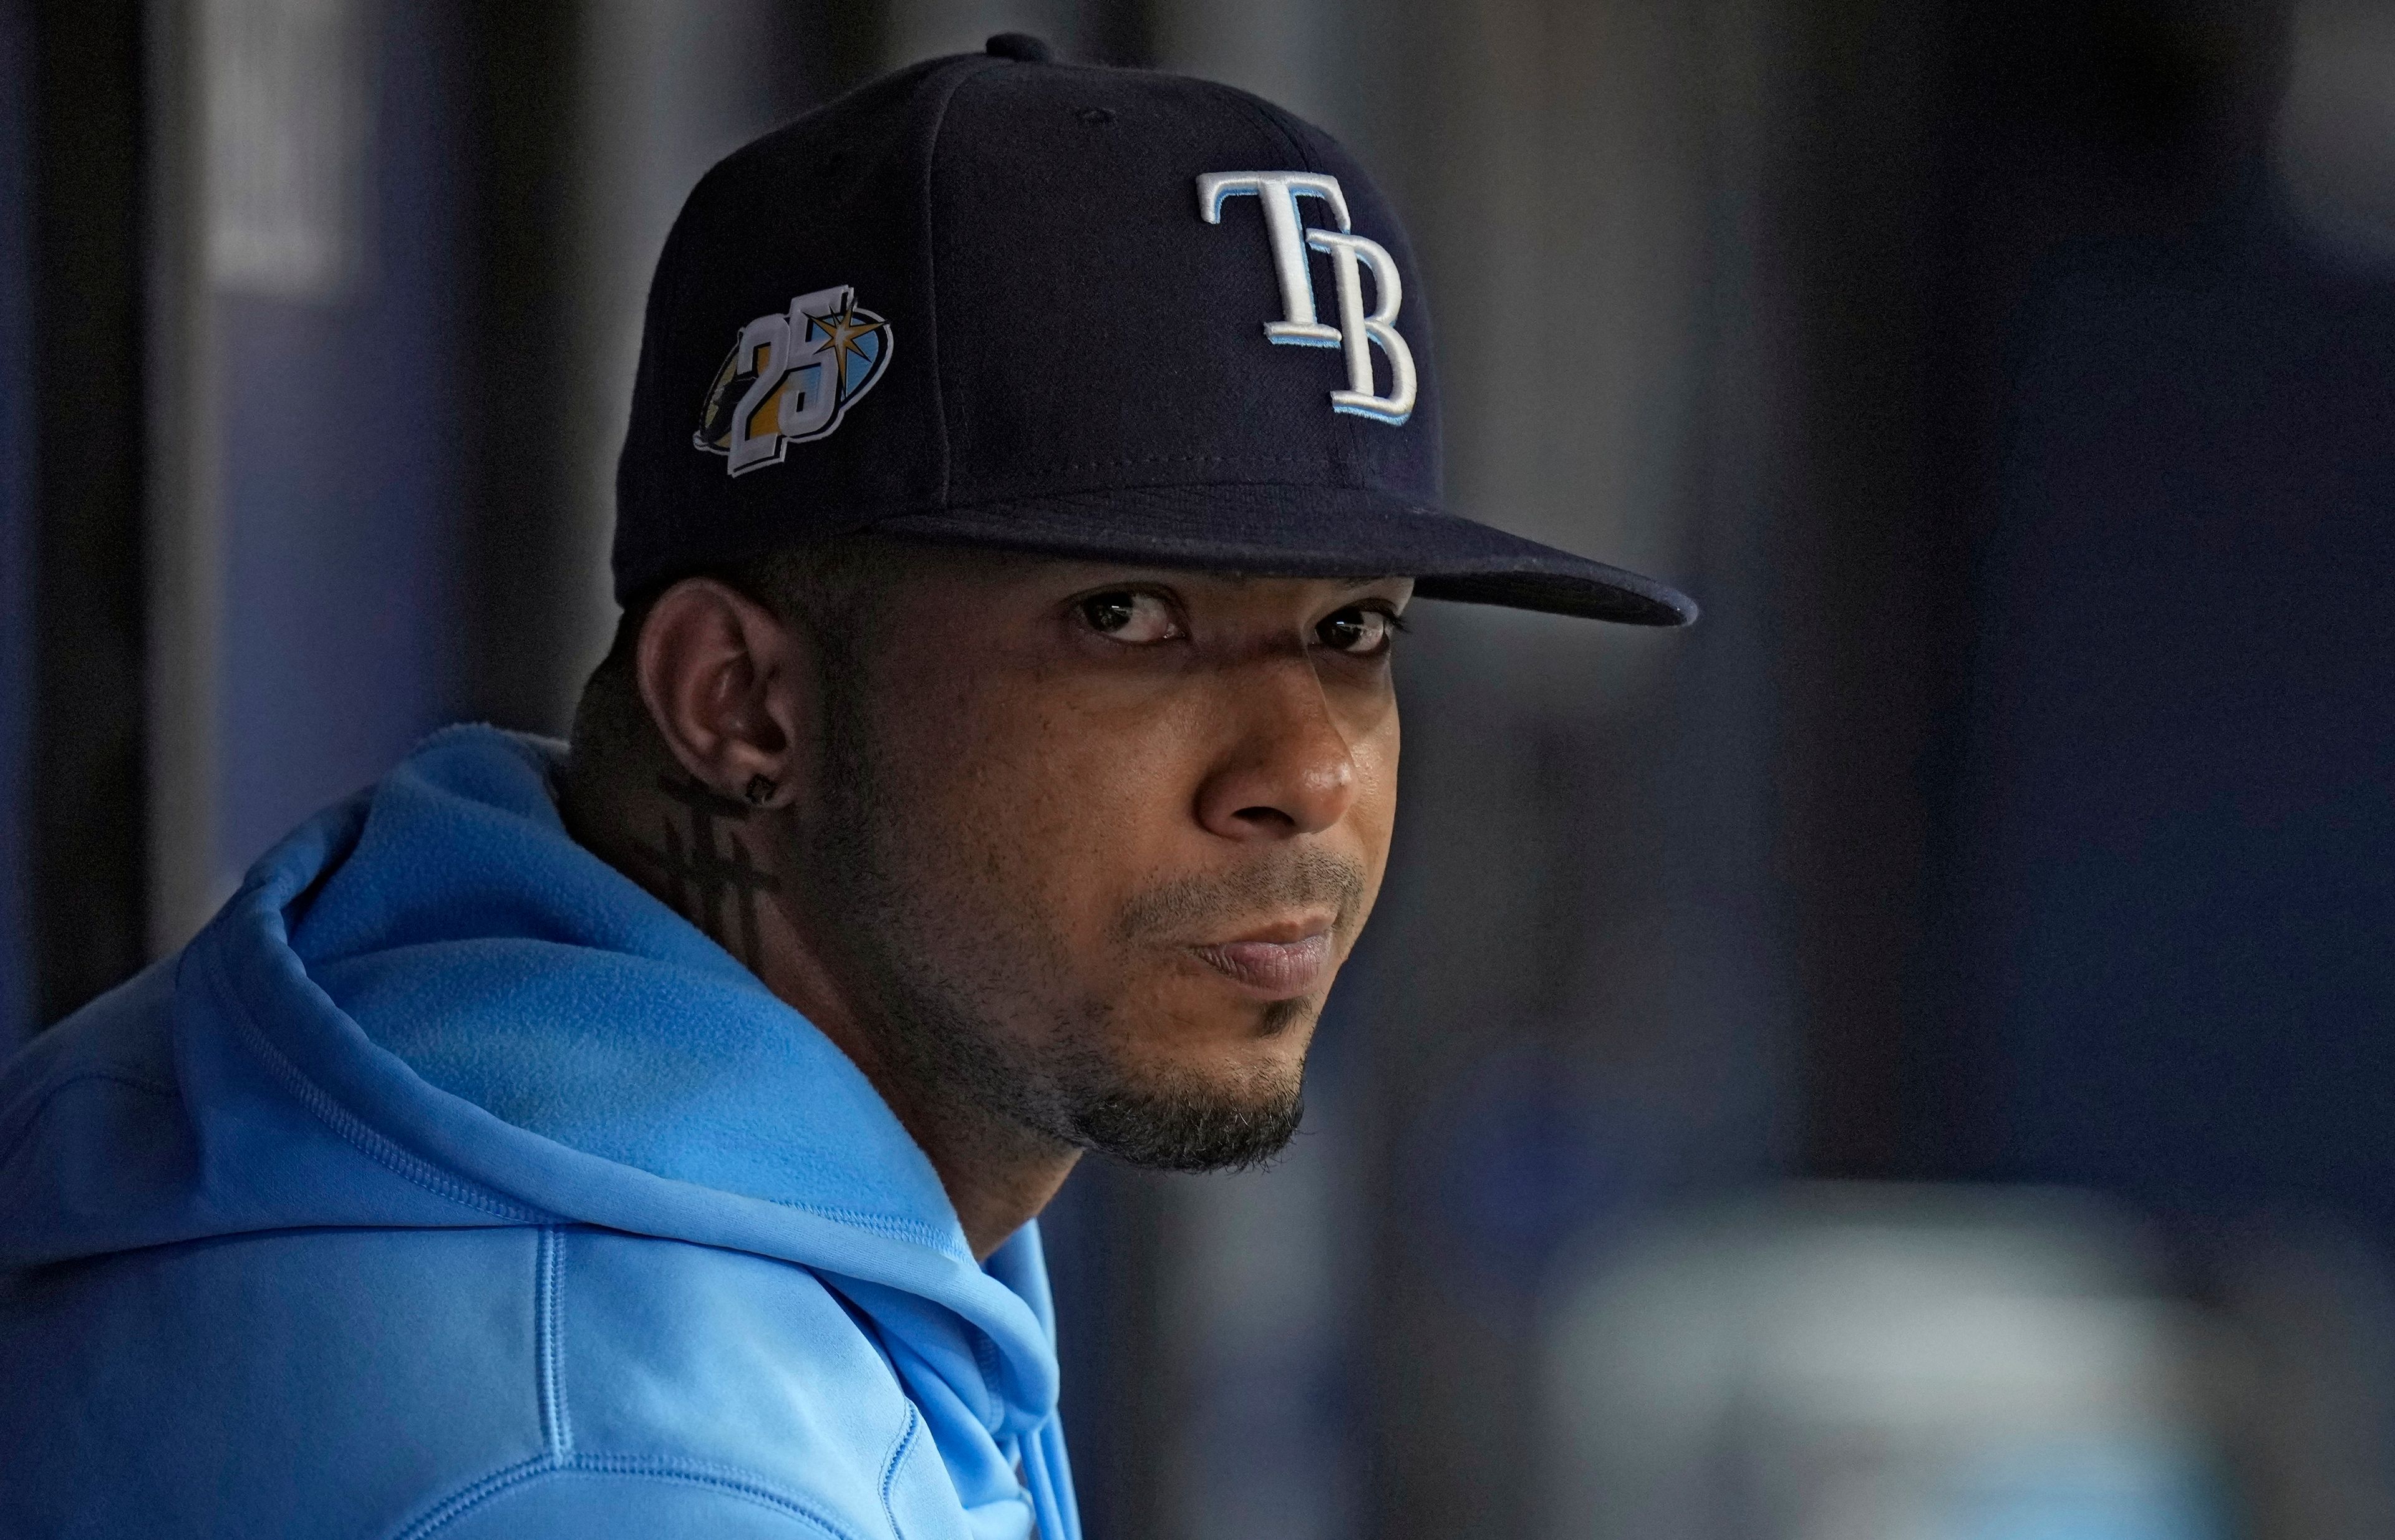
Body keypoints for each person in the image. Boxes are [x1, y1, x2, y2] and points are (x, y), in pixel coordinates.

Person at [0, 34, 1691, 1540]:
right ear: (741, 704)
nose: (1308, 772)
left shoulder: (432, 1091)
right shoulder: (642, 1473)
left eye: (1353, 631)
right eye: (1129, 618)